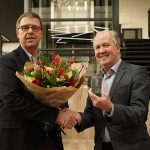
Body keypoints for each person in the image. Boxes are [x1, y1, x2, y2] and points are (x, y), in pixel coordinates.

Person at [57, 30, 150, 150]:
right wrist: (76, 118)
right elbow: (91, 115)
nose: (101, 51)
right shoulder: (96, 79)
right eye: (97, 47)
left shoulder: (137, 73)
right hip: (102, 146)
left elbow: (140, 113)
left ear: (118, 47)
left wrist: (110, 108)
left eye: (106, 45)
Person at [0, 12, 77, 150]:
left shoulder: (51, 62)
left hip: (49, 137)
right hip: (19, 138)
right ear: (18, 33)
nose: (30, 31)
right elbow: (12, 100)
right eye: (25, 28)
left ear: (41, 33)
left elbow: (61, 90)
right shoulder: (6, 62)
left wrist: (64, 109)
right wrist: (55, 115)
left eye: (35, 28)